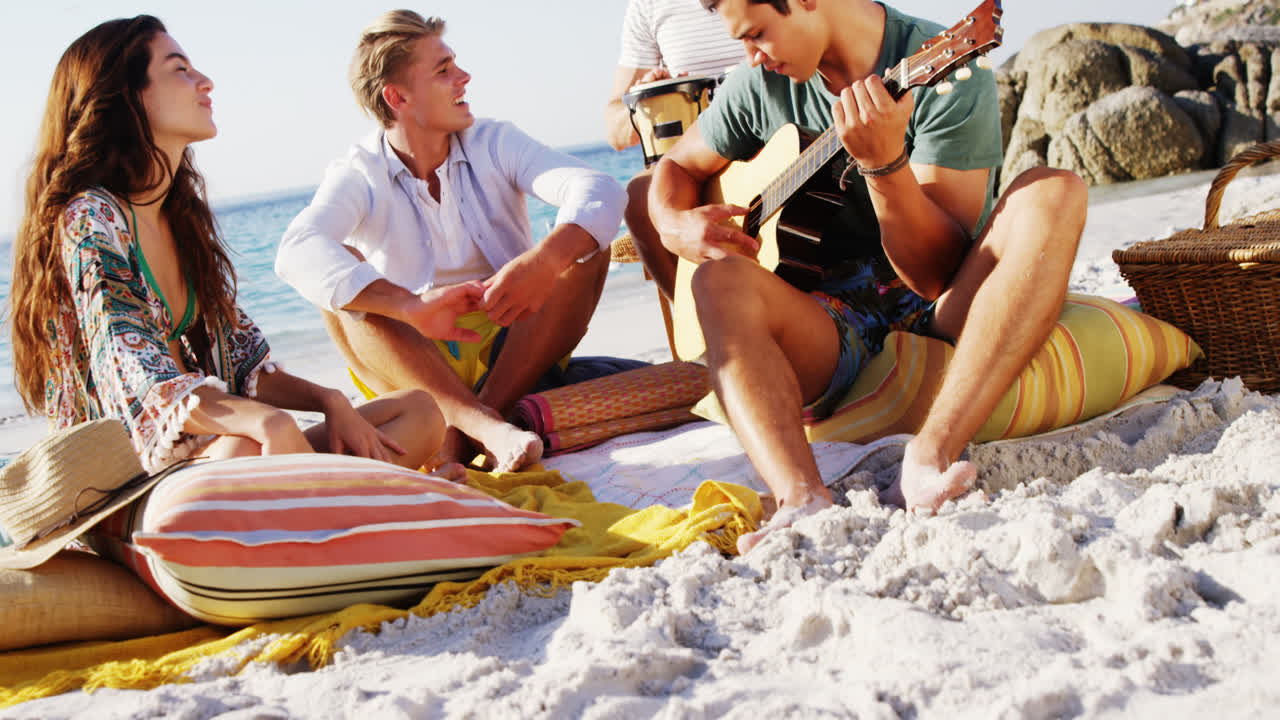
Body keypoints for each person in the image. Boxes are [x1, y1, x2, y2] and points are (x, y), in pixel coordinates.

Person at [644, 0, 1088, 551]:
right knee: (715, 280)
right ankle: (800, 497)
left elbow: (937, 276)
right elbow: (674, 167)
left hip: (943, 303)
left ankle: (930, 457)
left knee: (1053, 190)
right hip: (830, 327)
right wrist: (672, 224)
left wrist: (884, 166)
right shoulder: (758, 85)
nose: (751, 58)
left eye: (757, 34)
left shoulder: (940, 68)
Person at [9, 15, 449, 474]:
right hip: (126, 481)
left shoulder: (179, 222)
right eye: (180, 69)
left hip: (211, 461)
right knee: (244, 447)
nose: (206, 82)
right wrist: (264, 422)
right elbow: (137, 376)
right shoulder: (92, 218)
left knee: (417, 412)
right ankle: (369, 501)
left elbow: (243, 365)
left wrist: (328, 399)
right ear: (126, 98)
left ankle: (339, 507)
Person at [277, 10, 627, 473]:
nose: (464, 78)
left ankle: (468, 431)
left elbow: (599, 188)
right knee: (335, 279)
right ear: (397, 96)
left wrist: (542, 261)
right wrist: (409, 305)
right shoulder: (359, 171)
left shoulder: (494, 140)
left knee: (584, 247)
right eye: (443, 71)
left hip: (515, 345)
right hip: (413, 366)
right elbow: (296, 250)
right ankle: (484, 425)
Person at [606, 0, 746, 300]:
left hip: (781, 134)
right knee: (643, 194)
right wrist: (650, 99)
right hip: (699, 160)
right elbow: (615, 127)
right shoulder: (648, 6)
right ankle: (697, 328)